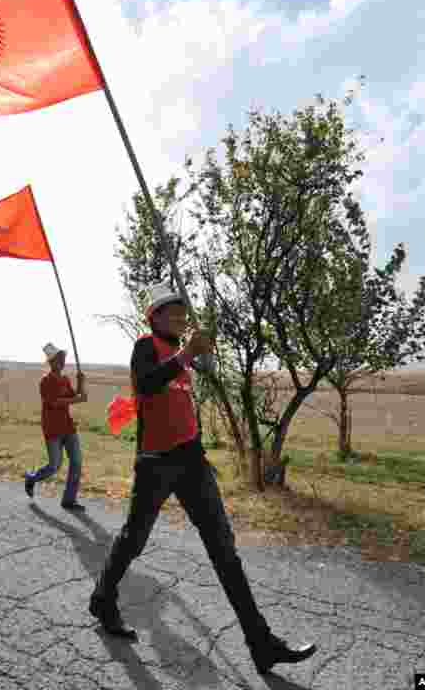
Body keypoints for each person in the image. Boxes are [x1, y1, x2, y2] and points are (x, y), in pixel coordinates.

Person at [90, 284, 317, 676]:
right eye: (173, 313)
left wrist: (202, 356)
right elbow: (147, 385)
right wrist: (187, 354)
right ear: (154, 317)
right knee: (135, 538)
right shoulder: (146, 346)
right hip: (155, 463)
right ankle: (103, 597)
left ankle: (261, 644)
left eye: (183, 312)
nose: (181, 318)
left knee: (224, 550)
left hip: (192, 460)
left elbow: (202, 373)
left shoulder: (183, 354)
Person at [24, 343, 88, 510]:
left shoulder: (65, 379)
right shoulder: (45, 381)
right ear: (51, 362)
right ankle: (32, 478)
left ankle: (69, 500)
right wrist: (77, 399)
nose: (62, 361)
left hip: (68, 426)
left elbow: (77, 396)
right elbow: (55, 402)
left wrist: (81, 383)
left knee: (77, 461)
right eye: (59, 359)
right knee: (54, 466)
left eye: (63, 358)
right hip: (52, 427)